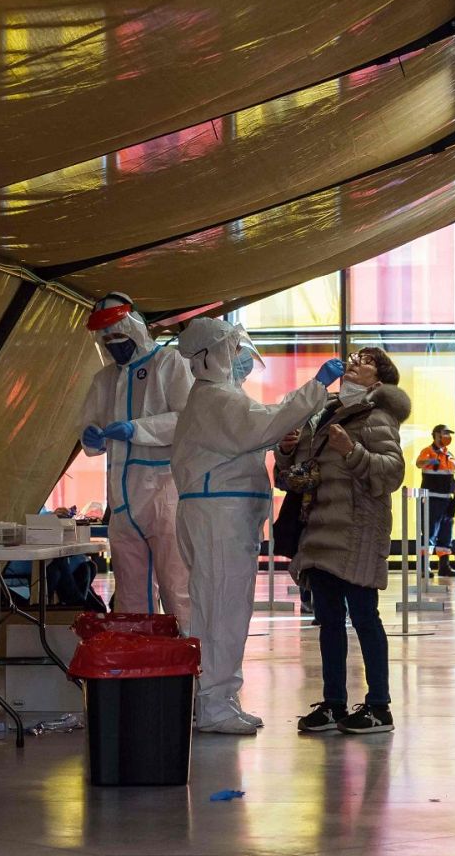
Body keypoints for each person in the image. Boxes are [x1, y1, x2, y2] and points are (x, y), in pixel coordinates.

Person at [172, 316, 344, 735]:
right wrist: (315, 388)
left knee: (223, 607)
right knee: (221, 610)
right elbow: (261, 423)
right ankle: (214, 703)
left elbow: (258, 425)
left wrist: (278, 432)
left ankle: (220, 696)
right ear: (210, 355)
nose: (240, 361)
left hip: (221, 516)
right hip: (218, 518)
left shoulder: (218, 400)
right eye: (233, 351)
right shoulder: (214, 399)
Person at [277, 348, 411, 735]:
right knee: (329, 621)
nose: (354, 363)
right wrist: (286, 451)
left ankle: (378, 706)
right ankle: (334, 702)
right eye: (353, 357)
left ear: (379, 381)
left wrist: (350, 450)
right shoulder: (324, 412)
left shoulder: (377, 416)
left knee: (365, 617)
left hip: (357, 532)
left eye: (365, 361)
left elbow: (391, 472)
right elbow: (296, 473)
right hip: (320, 531)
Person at [79, 292, 193, 626]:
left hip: (162, 492)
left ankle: (190, 664)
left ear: (135, 327)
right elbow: (90, 424)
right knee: (130, 593)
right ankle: (141, 666)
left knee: (177, 587)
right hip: (122, 500)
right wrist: (90, 435)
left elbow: (187, 419)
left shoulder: (168, 364)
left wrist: (137, 429)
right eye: (107, 338)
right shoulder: (105, 379)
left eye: (118, 335)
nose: (114, 344)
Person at [416, 424, 455, 577]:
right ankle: (424, 567)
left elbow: (451, 479)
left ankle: (444, 566)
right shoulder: (427, 452)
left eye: (449, 433)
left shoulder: (450, 455)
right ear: (435, 434)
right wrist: (431, 461)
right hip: (431, 499)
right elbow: (418, 463)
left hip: (447, 500)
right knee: (428, 533)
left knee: (445, 534)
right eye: (444, 433)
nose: (447, 436)